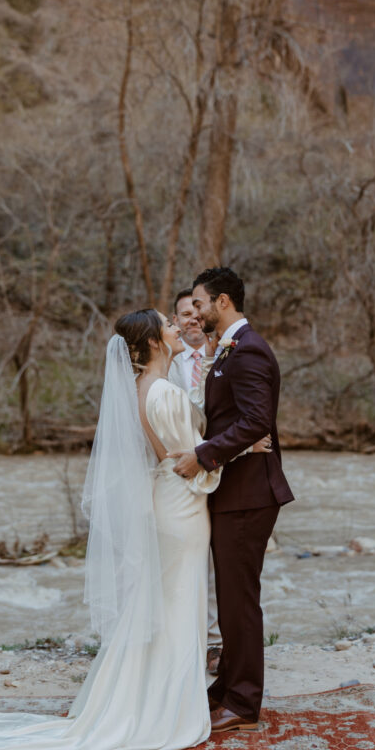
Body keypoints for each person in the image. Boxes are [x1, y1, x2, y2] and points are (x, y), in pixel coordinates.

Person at [0, 309, 223, 750]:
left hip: (163, 500)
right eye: (168, 325)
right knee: (181, 605)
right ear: (155, 344)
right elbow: (195, 459)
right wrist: (232, 453)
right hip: (182, 505)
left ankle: (141, 701)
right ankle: (168, 712)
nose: (178, 328)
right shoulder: (164, 392)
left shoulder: (140, 390)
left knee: (162, 605)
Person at [172, 267, 293, 733]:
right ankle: (224, 689)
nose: (194, 312)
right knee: (230, 596)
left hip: (249, 492)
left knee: (240, 600)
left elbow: (258, 419)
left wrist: (204, 456)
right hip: (235, 488)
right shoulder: (228, 349)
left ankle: (243, 702)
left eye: (199, 304)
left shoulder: (248, 351)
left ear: (222, 302)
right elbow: (234, 418)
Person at [168, 288, 223, 675]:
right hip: (182, 475)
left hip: (223, 469)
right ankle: (188, 637)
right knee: (188, 560)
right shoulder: (167, 363)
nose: (191, 319)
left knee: (223, 562)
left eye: (195, 311)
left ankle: (218, 641)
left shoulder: (225, 354)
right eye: (183, 314)